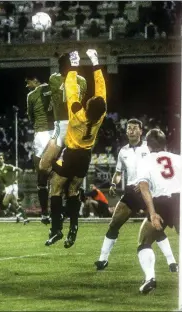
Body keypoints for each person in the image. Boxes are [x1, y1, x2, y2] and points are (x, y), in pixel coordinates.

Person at [94, 119, 177, 272]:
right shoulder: (122, 152)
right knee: (114, 223)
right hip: (132, 191)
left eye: (134, 128)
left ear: (141, 131)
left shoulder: (149, 148)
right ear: (126, 132)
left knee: (156, 227)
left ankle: (172, 262)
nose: (131, 130)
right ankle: (102, 259)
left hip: (148, 190)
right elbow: (118, 173)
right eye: (129, 128)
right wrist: (114, 183)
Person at [45, 49, 107, 248]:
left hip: (71, 154)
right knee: (73, 190)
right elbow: (101, 90)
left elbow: (71, 87)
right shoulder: (100, 117)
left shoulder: (77, 114)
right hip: (85, 156)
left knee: (55, 186)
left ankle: (56, 229)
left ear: (87, 106)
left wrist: (73, 65)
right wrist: (95, 62)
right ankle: (73, 229)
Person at [135, 128, 182, 294]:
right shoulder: (179, 158)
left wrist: (152, 214)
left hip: (161, 202)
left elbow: (144, 187)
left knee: (144, 241)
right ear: (165, 144)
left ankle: (150, 278)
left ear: (147, 145)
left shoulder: (144, 161)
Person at [38, 53, 87, 174]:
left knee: (45, 166)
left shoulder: (55, 78)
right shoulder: (80, 81)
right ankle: (61, 170)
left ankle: (62, 174)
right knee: (47, 165)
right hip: (70, 126)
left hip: (68, 125)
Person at [26, 75, 54, 225]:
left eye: (28, 82)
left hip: (42, 133)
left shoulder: (31, 95)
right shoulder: (54, 88)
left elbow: (30, 116)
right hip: (57, 131)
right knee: (61, 174)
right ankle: (60, 211)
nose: (27, 86)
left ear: (35, 80)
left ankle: (44, 213)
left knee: (41, 176)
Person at [0, 152, 29, 224]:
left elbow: (20, 170)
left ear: (3, 159)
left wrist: (16, 179)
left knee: (4, 202)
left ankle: (18, 214)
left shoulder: (8, 167)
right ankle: (25, 218)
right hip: (7, 188)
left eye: (0, 158)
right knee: (15, 203)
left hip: (12, 187)